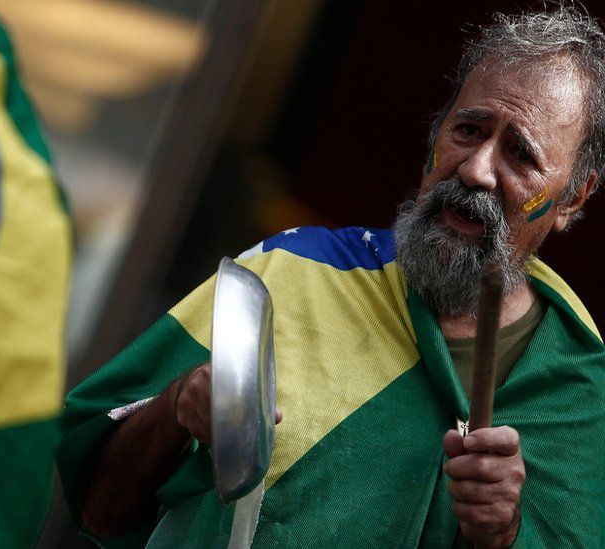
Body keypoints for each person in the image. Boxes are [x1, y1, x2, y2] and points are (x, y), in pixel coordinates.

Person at [57, 4, 605, 547]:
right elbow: (99, 506)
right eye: (468, 129)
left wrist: (502, 533)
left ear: (571, 198)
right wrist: (177, 407)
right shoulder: (297, 272)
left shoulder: (578, 387)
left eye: (520, 155)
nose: (477, 168)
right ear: (436, 134)